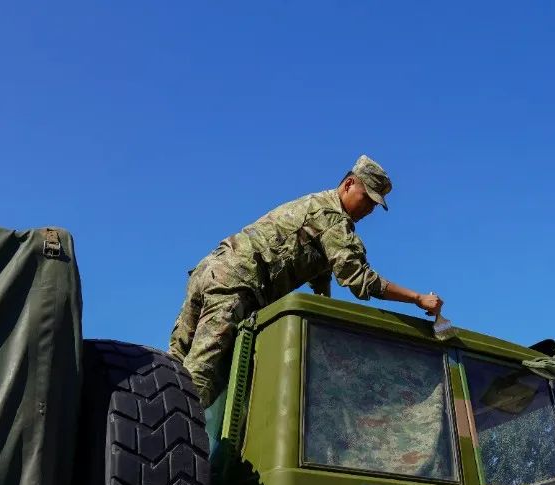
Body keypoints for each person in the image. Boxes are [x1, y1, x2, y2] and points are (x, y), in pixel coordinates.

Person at [168, 154, 444, 407]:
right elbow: (360, 279)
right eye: (367, 198)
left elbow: (319, 273)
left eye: (375, 204)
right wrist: (417, 298)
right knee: (201, 378)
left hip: (212, 271)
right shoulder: (334, 219)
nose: (369, 209)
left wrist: (324, 313)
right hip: (237, 285)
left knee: (173, 367)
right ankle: (172, 449)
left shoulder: (315, 204)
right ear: (348, 184)